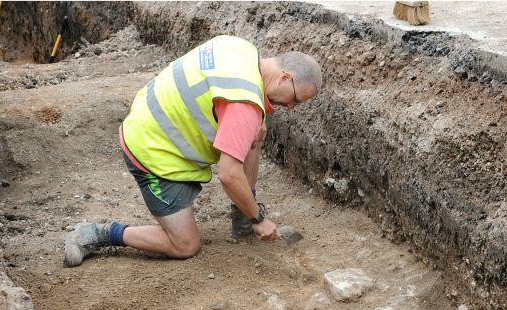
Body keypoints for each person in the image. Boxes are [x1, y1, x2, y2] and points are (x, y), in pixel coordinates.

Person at [64, 35, 322, 267]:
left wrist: (257, 119)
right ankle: (97, 233)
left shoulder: (240, 48)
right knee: (185, 245)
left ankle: (242, 213)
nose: (291, 107)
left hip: (153, 115)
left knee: (257, 129)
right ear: (285, 77)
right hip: (151, 150)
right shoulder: (244, 105)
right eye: (296, 99)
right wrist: (259, 220)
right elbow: (229, 175)